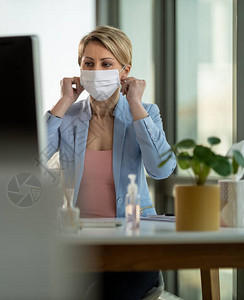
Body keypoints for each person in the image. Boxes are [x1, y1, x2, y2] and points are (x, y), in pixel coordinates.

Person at [45, 26, 176, 299]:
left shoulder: (146, 112)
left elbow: (161, 169)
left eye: (107, 64)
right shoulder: (67, 116)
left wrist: (136, 104)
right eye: (88, 63)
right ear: (79, 69)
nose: (96, 70)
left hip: (132, 243)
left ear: (124, 71)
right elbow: (28, 157)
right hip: (78, 245)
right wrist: (64, 100)